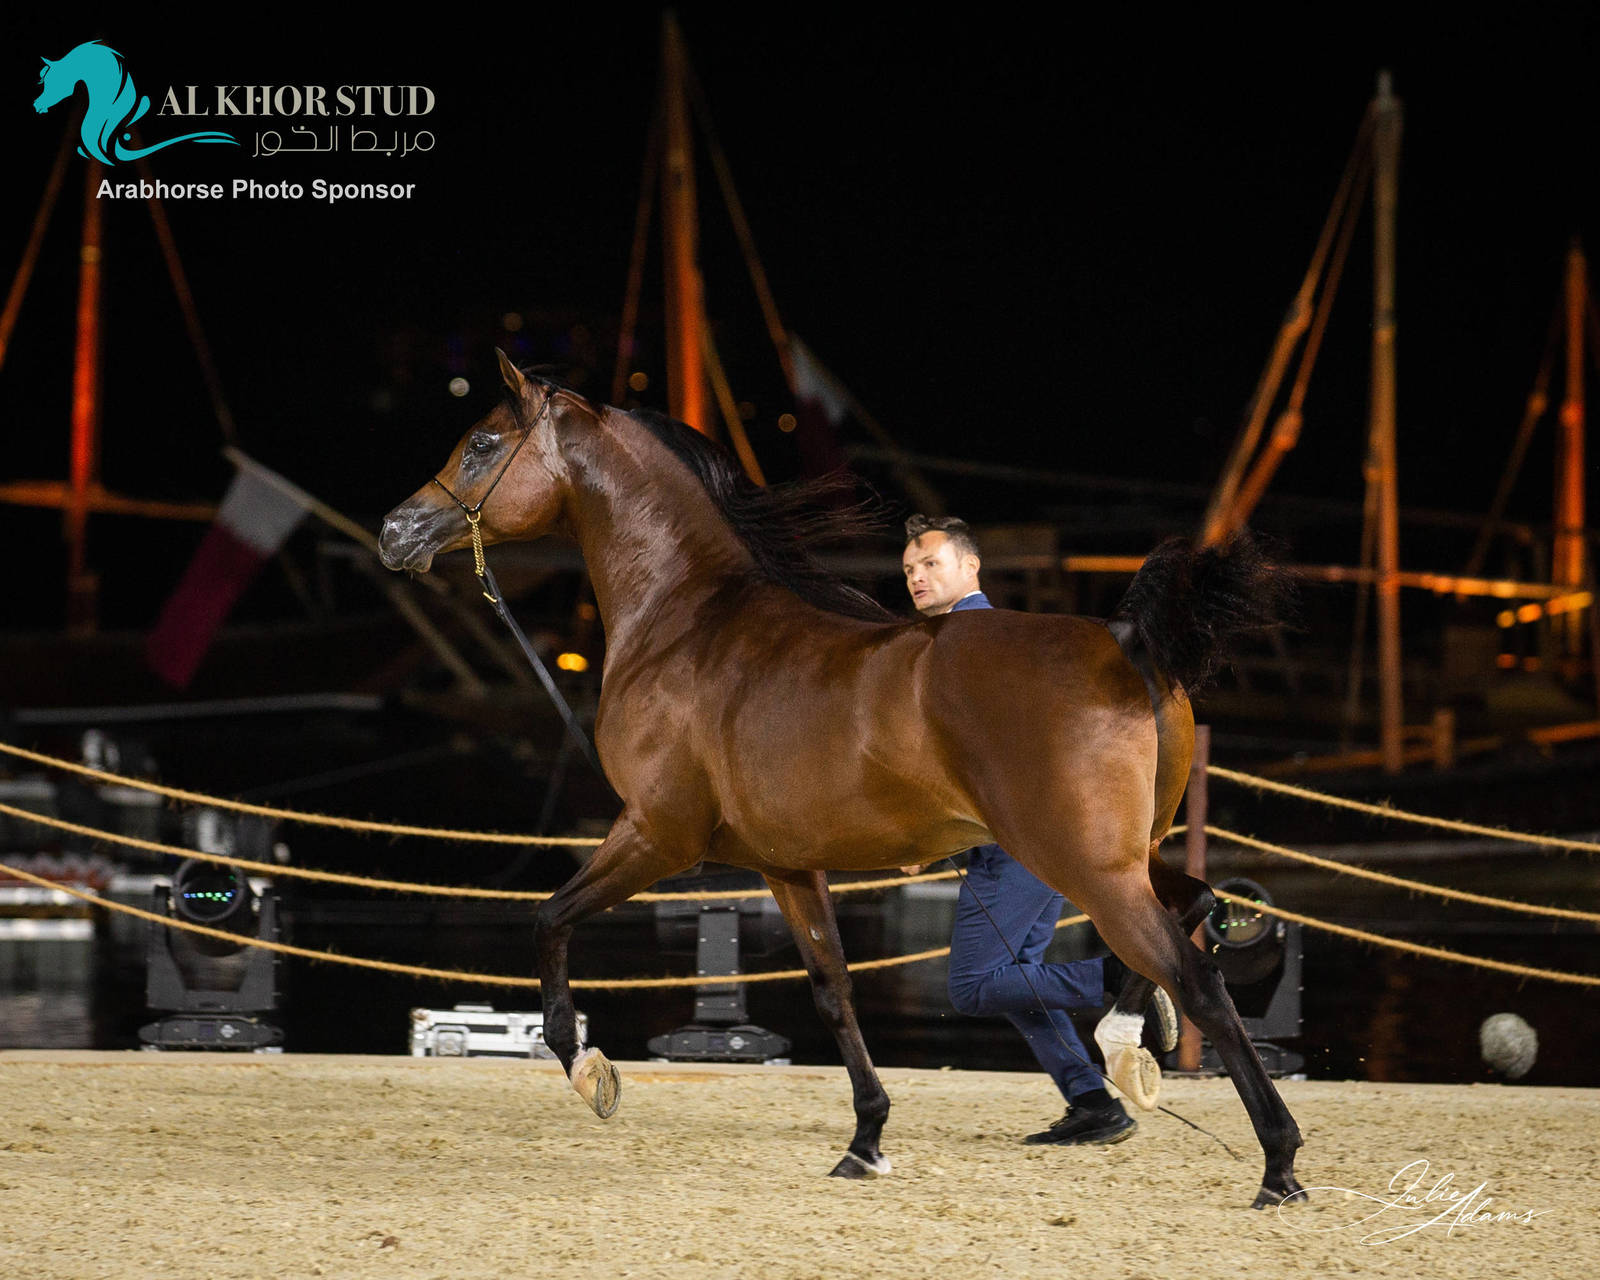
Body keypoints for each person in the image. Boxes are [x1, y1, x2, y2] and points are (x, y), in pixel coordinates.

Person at [900, 513, 1177, 1146]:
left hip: (1012, 842)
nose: (917, 577)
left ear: (971, 567)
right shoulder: (971, 642)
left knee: (972, 987)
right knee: (1018, 978)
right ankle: (1091, 1103)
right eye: (910, 569)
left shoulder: (973, 646)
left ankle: (1117, 979)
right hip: (1030, 841)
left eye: (931, 565)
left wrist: (925, 830)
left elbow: (986, 758)